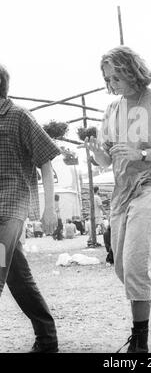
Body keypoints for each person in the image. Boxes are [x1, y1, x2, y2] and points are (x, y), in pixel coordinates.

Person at [83, 46, 151, 353]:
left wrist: (142, 153)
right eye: (106, 78)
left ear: (130, 70)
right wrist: (95, 151)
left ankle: (140, 342)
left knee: (134, 266)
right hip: (122, 192)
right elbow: (107, 162)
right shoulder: (111, 110)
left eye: (115, 76)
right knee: (122, 269)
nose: (110, 83)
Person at [0, 64, 60, 353]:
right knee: (17, 275)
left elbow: (46, 160)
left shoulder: (19, 116)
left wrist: (51, 209)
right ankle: (47, 339)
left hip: (12, 207)